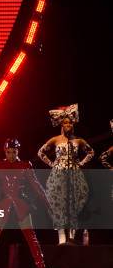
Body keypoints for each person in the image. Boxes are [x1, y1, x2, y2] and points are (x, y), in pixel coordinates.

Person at [0, 138, 50, 268]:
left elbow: (36, 185)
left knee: (31, 238)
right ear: (5, 151)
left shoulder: (25, 165)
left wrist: (48, 203)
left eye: (13, 152)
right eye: (8, 152)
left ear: (18, 151)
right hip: (4, 202)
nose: (11, 155)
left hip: (20, 203)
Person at [38, 104, 94, 244]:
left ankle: (72, 238)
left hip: (74, 174)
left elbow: (91, 152)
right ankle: (62, 239)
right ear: (61, 125)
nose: (68, 124)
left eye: (69, 122)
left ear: (72, 124)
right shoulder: (56, 139)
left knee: (73, 204)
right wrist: (52, 164)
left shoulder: (77, 140)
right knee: (59, 204)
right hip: (59, 175)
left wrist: (81, 163)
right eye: (65, 123)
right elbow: (40, 152)